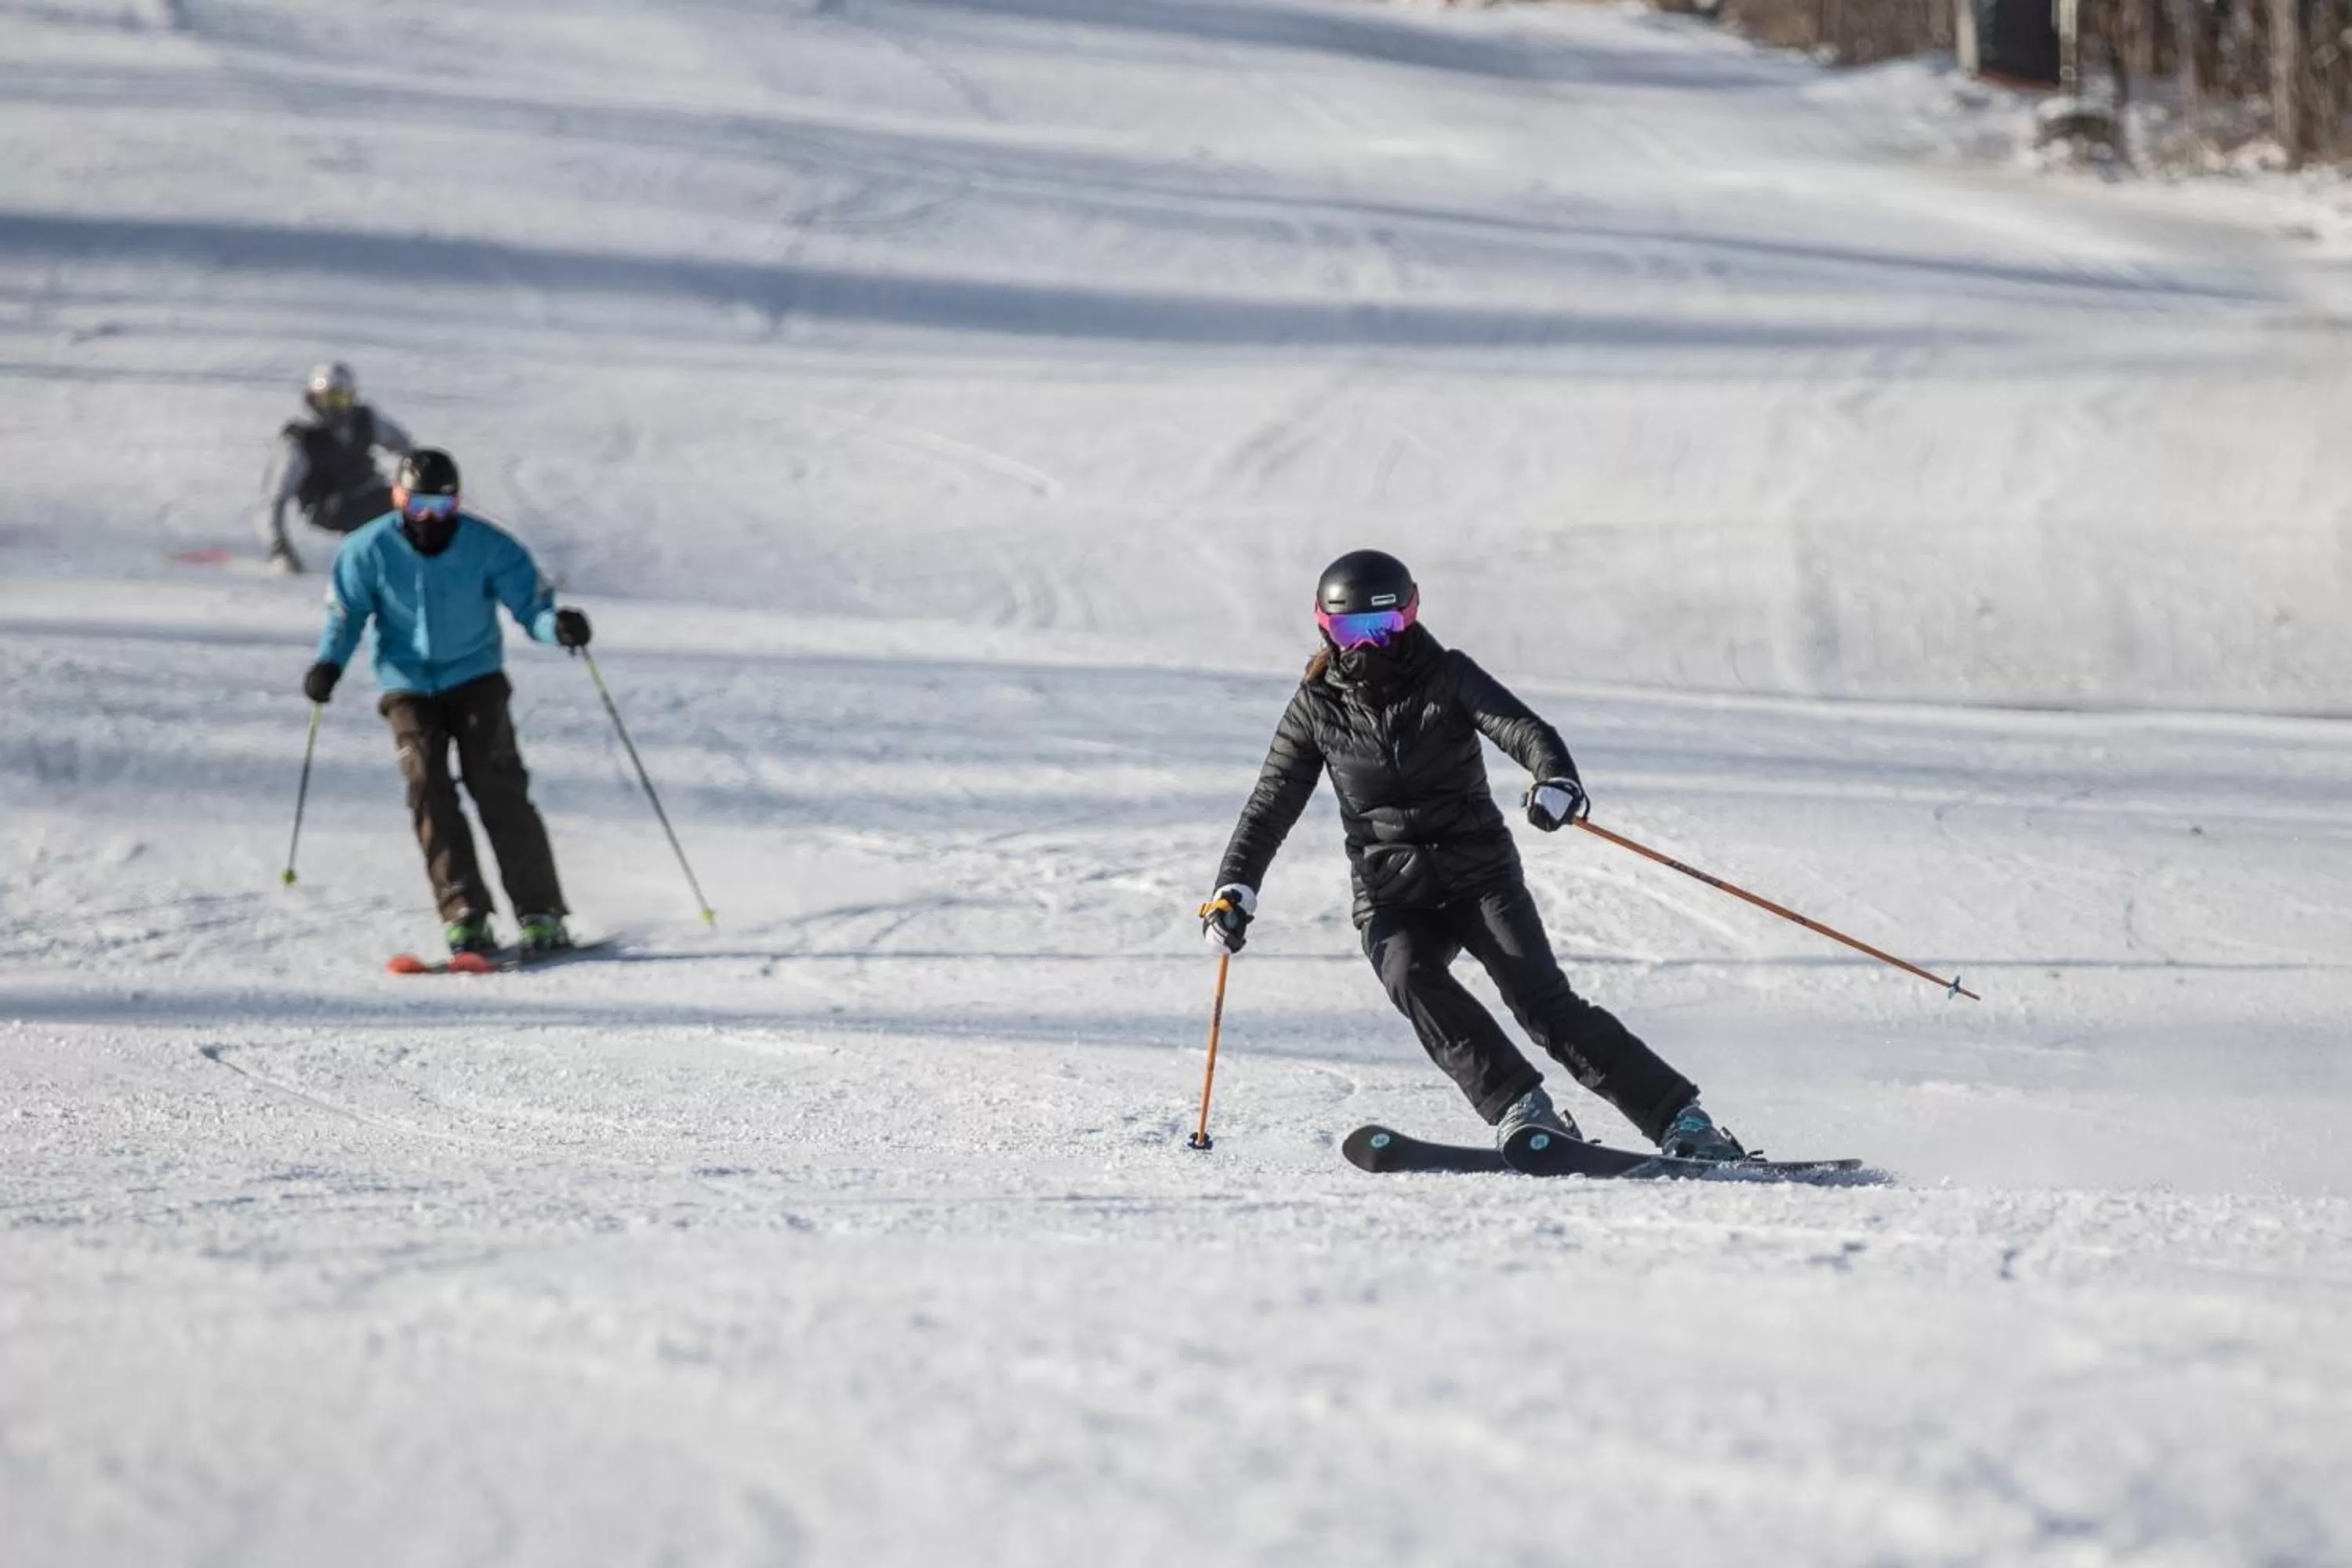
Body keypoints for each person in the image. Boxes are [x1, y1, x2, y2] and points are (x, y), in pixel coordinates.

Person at [1202, 550, 1749, 1162]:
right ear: (1327, 629)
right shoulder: (1316, 707)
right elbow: (1271, 802)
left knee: (1544, 1006)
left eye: (1382, 627)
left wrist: (1555, 778)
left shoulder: (1448, 674)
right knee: (1407, 973)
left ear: (1409, 616)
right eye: (1351, 630)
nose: (1369, 645)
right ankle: (1521, 1105)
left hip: (1479, 877)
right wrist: (1234, 887)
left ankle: (1683, 1121)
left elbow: (1523, 729)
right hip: (1392, 893)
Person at [302, 448, 591, 959]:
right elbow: (346, 617)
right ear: (398, 499)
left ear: (457, 503)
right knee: (427, 786)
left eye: (441, 507)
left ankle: (540, 911)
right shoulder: (366, 549)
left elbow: (532, 608)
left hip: (476, 676)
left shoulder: (490, 546)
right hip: (407, 684)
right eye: (418, 507)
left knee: (497, 784)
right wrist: (329, 663)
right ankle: (464, 912)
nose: (429, 519)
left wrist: (558, 627)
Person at [259, 362, 413, 574]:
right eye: (330, 400)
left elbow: (401, 443)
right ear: (314, 398)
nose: (337, 408)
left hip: (369, 492)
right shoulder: (301, 441)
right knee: (388, 511)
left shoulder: (364, 421)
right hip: (327, 509)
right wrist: (279, 546)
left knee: (412, 503)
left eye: (343, 399)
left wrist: (421, 472)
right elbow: (274, 499)